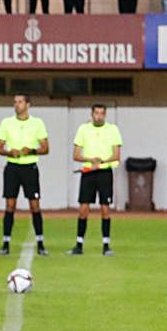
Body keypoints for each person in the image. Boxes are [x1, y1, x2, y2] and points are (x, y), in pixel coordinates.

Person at [0, 93, 49, 256]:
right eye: (15, 102)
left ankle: (40, 242)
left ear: (28, 104)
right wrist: (9, 152)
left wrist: (31, 150)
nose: (17, 105)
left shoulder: (37, 123)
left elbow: (45, 148)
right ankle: (6, 242)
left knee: (34, 205)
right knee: (10, 205)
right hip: (12, 167)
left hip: (30, 168)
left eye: (20, 102)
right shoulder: (6, 123)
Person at [69, 104, 123, 256]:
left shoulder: (113, 130)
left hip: (105, 173)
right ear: (91, 114)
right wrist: (90, 160)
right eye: (96, 113)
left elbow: (116, 155)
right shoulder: (83, 129)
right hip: (88, 174)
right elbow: (76, 154)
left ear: (105, 115)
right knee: (83, 209)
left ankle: (106, 245)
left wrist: (100, 163)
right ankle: (79, 245)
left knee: (105, 208)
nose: (99, 116)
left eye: (102, 113)